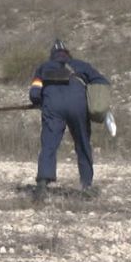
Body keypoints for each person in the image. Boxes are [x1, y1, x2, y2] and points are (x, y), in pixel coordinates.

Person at [28, 39, 110, 202]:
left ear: (52, 55)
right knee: (82, 144)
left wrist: (40, 102)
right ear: (68, 55)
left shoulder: (43, 67)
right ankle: (86, 186)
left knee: (49, 145)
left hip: (53, 107)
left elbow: (34, 93)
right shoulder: (81, 65)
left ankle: (42, 184)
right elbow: (101, 82)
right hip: (78, 105)